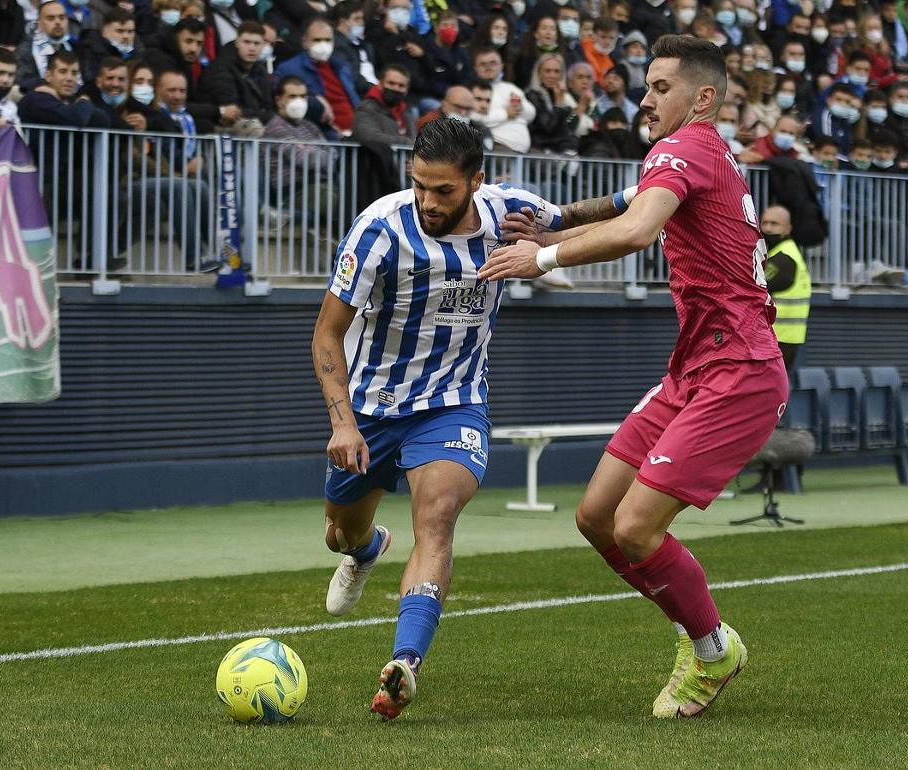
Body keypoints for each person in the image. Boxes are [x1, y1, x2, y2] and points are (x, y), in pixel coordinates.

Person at [480, 35, 786, 719]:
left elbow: (639, 228)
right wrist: (561, 215)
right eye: (646, 86)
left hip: (740, 370)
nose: (645, 99)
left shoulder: (686, 146)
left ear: (701, 98)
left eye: (659, 87)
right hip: (695, 367)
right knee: (596, 518)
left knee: (638, 528)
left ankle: (711, 651)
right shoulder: (703, 151)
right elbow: (629, 197)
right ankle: (696, 631)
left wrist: (543, 256)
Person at [312, 118, 623, 722]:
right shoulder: (379, 229)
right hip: (371, 409)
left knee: (438, 515)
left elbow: (590, 220)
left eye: (444, 190)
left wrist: (651, 190)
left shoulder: (512, 213)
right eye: (420, 186)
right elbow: (327, 332)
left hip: (454, 402)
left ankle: (405, 663)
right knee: (339, 532)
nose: (428, 201)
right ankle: (367, 548)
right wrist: (343, 424)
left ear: (477, 181)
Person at [759, 205, 810, 372]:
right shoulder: (783, 253)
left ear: (788, 228)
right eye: (764, 223)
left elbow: (755, 288)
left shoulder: (784, 259)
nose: (767, 228)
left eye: (774, 224)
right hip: (782, 339)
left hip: (778, 340)